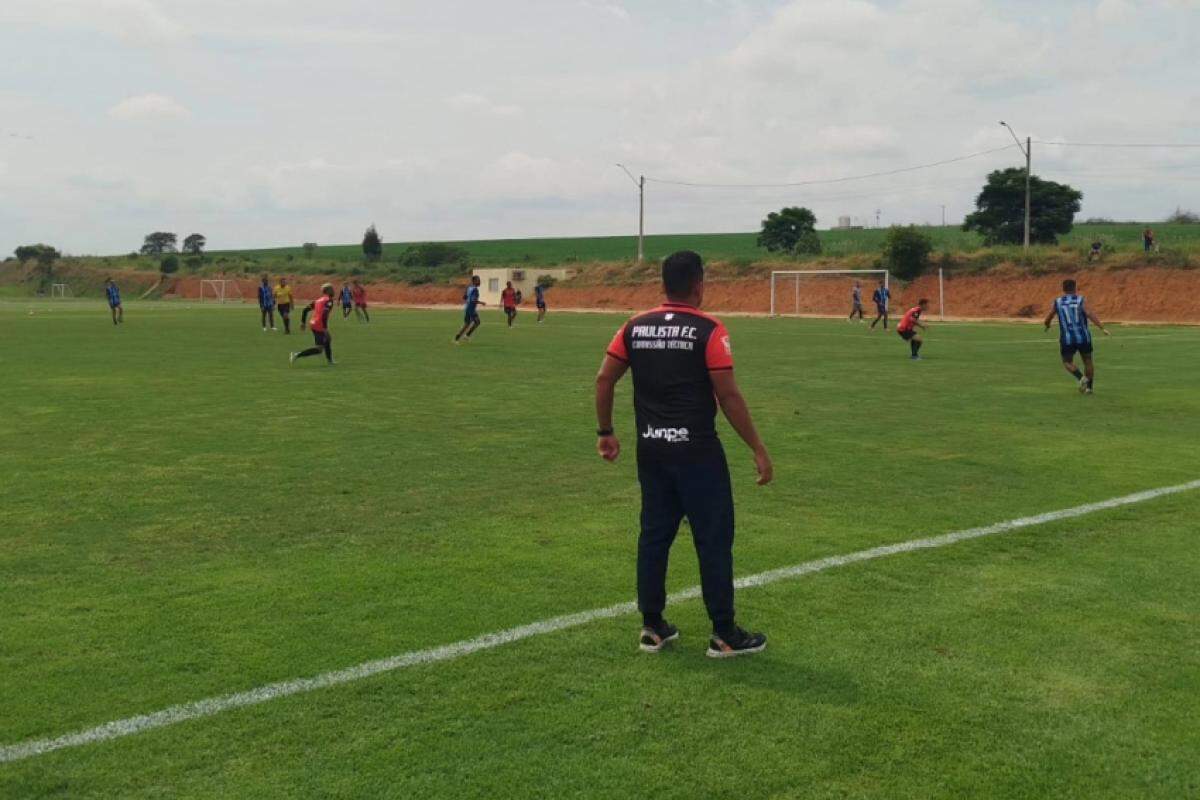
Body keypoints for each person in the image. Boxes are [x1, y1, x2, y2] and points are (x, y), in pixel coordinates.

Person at [595, 250, 773, 659]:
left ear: (662, 284)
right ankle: (724, 633)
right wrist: (758, 448)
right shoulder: (708, 330)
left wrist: (606, 431)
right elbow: (727, 394)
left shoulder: (634, 326)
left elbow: (604, 378)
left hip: (651, 449)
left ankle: (652, 626)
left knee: (654, 535)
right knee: (713, 538)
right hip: (697, 452)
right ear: (699, 285)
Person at [1043, 278, 1110, 394]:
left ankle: (1081, 378)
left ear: (1063, 289)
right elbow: (1089, 313)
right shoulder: (1081, 300)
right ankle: (1089, 388)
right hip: (1083, 337)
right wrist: (1102, 327)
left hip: (1067, 338)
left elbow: (1048, 318)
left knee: (1067, 362)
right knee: (1088, 360)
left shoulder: (1058, 302)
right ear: (1075, 288)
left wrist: (1047, 325)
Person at [291, 283, 336, 365]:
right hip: (319, 325)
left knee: (328, 339)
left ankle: (330, 361)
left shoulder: (318, 300)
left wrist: (303, 322)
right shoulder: (329, 300)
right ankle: (296, 355)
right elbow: (324, 314)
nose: (334, 291)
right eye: (332, 289)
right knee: (319, 349)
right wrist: (325, 328)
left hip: (313, 323)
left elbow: (305, 310)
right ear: (328, 291)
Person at [454, 276, 486, 343]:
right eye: (478, 280)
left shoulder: (469, 288)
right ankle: (466, 336)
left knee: (467, 324)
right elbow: (473, 300)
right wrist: (481, 302)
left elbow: (464, 297)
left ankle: (457, 338)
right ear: (474, 281)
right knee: (477, 322)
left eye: (479, 280)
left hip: (468, 307)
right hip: (471, 309)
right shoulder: (475, 290)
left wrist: (468, 300)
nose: (479, 282)